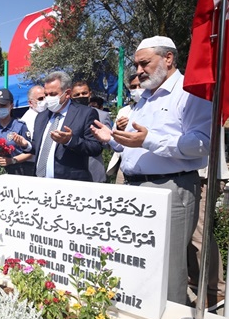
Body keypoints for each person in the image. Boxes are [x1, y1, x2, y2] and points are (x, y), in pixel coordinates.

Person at [90, 36, 212, 305]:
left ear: (168, 58)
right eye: (136, 65)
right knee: (136, 259)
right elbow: (132, 147)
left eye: (144, 63)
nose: (138, 71)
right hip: (135, 188)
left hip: (171, 188)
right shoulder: (143, 99)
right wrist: (111, 138)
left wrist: (148, 140)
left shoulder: (191, 92)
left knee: (168, 264)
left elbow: (204, 142)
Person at [187, 133, 229, 312]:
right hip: (196, 173)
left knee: (200, 234)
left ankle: (216, 290)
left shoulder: (204, 105)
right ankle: (198, 279)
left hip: (205, 175)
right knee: (189, 233)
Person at [31, 71, 102, 181]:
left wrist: (70, 141)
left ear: (67, 93)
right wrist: (25, 145)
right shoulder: (41, 117)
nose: (48, 98)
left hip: (69, 185)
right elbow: (38, 147)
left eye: (53, 94)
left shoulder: (85, 114)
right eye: (46, 94)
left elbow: (95, 147)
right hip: (41, 183)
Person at [0, 88, 33, 219]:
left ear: (11, 106)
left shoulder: (20, 126)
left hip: (15, 170)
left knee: (15, 210)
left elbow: (30, 153)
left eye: (3, 105)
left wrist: (12, 160)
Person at [72, 80, 111, 183]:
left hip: (93, 169)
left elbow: (108, 144)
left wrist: (102, 138)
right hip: (72, 171)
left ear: (90, 94)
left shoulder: (102, 115)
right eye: (77, 94)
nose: (81, 96)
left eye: (84, 93)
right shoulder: (67, 116)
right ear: (71, 96)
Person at [107, 74, 143, 183]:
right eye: (133, 87)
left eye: (140, 86)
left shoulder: (156, 108)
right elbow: (116, 143)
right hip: (124, 170)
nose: (137, 90)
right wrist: (118, 129)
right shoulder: (124, 111)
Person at [19, 85, 46, 176]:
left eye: (46, 96)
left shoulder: (48, 115)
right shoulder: (25, 121)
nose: (45, 101)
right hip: (30, 165)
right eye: (41, 98)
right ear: (30, 103)